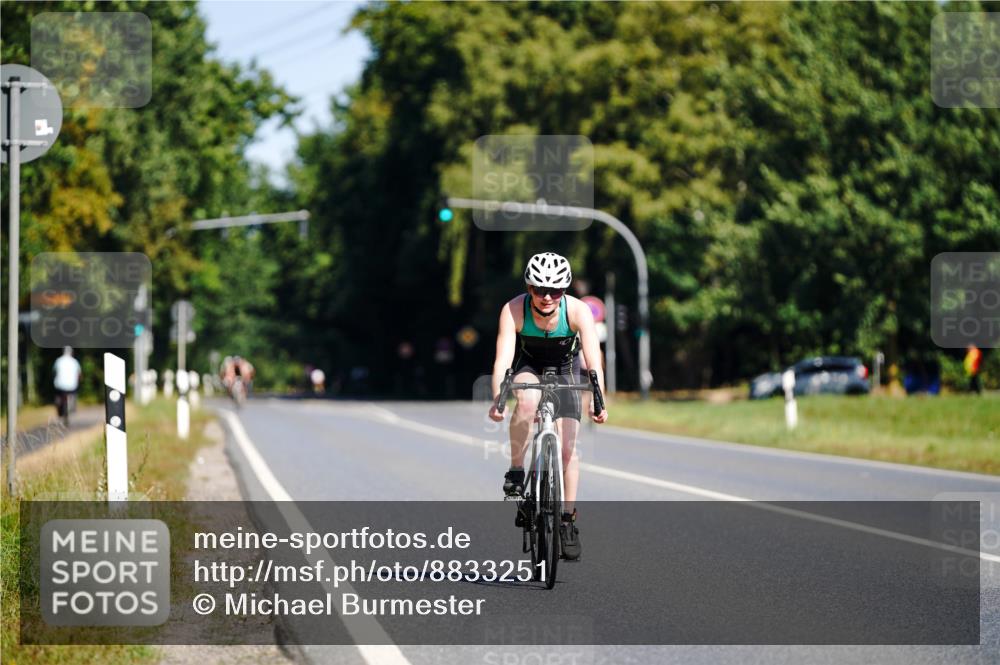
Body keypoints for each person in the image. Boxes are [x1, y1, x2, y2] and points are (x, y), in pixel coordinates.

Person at [488, 252, 608, 561]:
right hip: (529, 367)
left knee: (568, 450)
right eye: (539, 289)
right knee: (526, 402)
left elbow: (594, 359)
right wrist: (498, 399)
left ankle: (567, 521)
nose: (546, 297)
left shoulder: (578, 311)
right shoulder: (513, 310)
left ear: (564, 290)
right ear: (529, 288)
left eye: (555, 291)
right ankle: (516, 470)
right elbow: (503, 359)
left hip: (566, 370)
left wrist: (599, 398)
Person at [53, 346, 82, 423]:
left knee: (58, 395)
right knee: (73, 394)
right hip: (72, 386)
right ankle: (72, 405)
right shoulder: (75, 362)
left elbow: (54, 372)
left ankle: (59, 405)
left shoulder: (58, 361)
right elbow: (79, 374)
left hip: (60, 386)